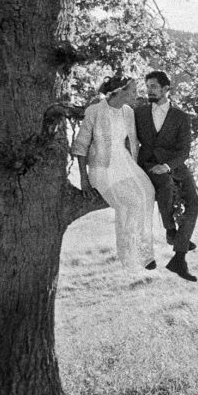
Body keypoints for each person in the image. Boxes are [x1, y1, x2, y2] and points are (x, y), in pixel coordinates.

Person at [72, 75, 155, 270]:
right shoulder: (95, 111)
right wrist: (84, 180)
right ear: (120, 91)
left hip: (125, 161)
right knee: (130, 203)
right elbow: (81, 145)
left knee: (148, 192)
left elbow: (131, 141)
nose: (136, 94)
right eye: (133, 91)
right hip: (102, 167)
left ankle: (145, 250)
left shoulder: (128, 111)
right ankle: (130, 255)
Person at [135, 70, 198, 282]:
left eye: (154, 86)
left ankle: (179, 258)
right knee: (165, 186)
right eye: (148, 86)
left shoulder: (181, 117)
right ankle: (171, 230)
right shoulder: (139, 113)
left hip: (175, 166)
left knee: (195, 202)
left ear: (166, 89)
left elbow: (184, 152)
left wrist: (167, 165)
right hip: (148, 167)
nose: (149, 90)